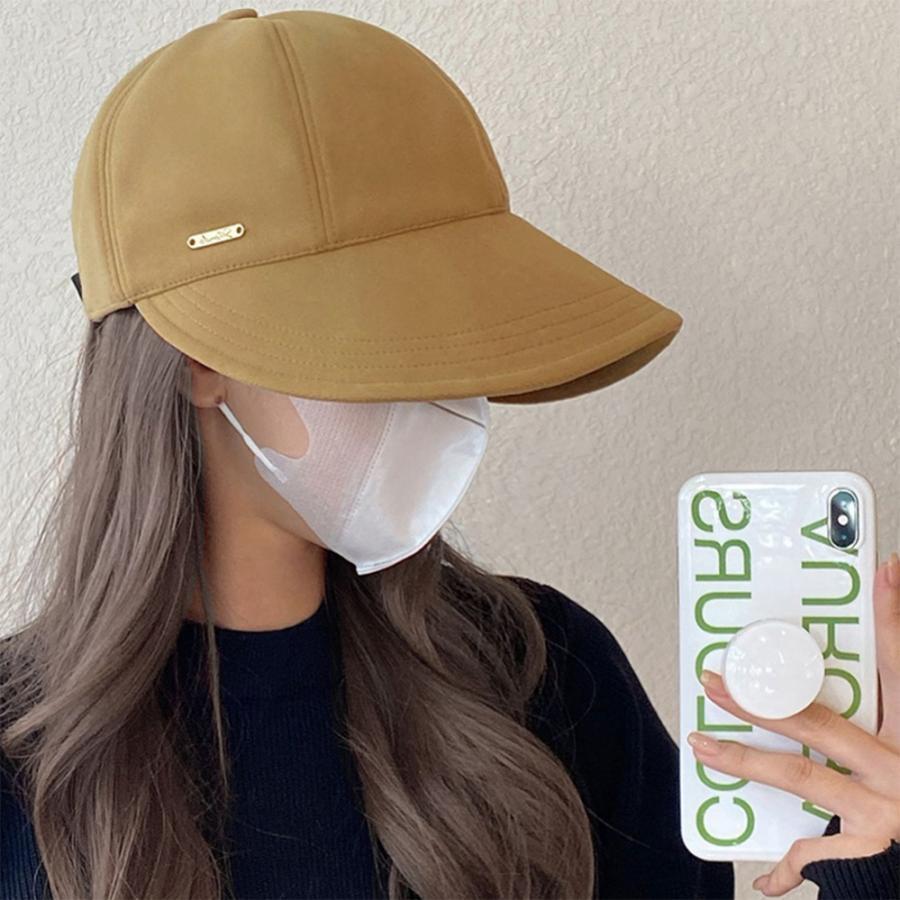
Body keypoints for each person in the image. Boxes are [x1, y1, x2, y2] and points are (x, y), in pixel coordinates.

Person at [1, 8, 898, 900]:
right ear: (198, 359)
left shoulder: (549, 674)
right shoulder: (21, 765)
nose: (442, 386)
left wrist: (876, 863)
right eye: (389, 321)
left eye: (455, 318)